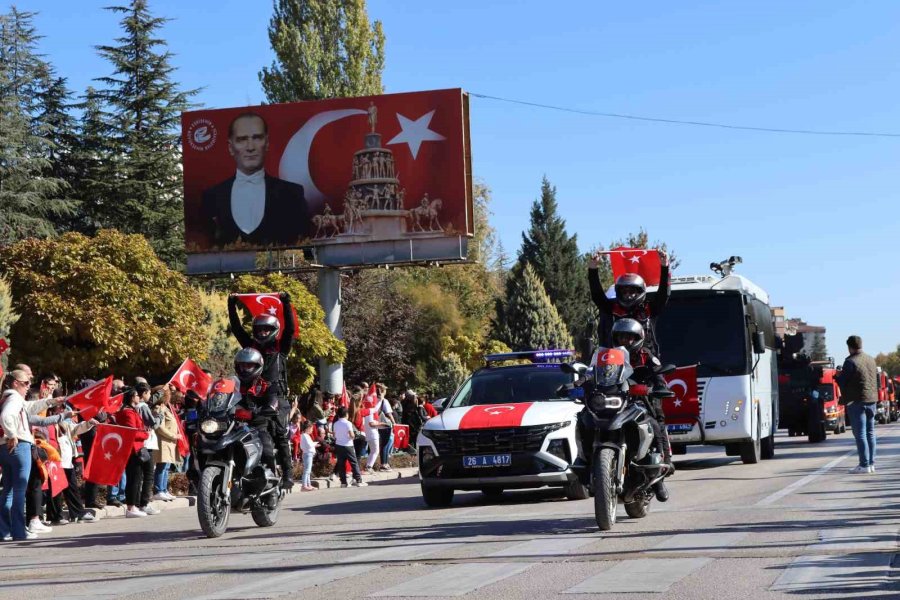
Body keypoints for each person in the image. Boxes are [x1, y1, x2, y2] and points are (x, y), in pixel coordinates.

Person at [202, 112, 309, 247]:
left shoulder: (293, 194)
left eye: (257, 138)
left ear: (267, 143)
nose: (250, 147)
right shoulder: (211, 197)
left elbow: (304, 243)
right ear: (230, 147)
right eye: (242, 139)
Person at [228, 292, 297, 490]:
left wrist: (285, 302)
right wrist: (231, 305)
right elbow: (236, 328)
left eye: (267, 329)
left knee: (281, 434)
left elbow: (290, 329)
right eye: (260, 329)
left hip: (276, 397)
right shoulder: (250, 347)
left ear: (274, 330)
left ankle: (288, 474)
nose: (263, 332)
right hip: (251, 397)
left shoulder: (280, 349)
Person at [609, 318, 672, 502]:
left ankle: (659, 472)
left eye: (629, 338)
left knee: (655, 423)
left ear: (638, 338)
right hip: (618, 400)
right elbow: (594, 371)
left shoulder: (646, 355)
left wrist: (658, 386)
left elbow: (659, 374)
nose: (625, 342)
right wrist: (580, 382)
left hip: (644, 400)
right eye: (621, 337)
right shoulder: (610, 355)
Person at [1, 370, 65, 541]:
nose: (29, 387)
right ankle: (18, 531)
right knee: (20, 490)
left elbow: (31, 408)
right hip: (19, 445)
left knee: (7, 490)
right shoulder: (14, 398)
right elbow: (6, 416)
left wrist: (51, 401)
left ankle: (4, 530)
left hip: (5, 448)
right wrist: (12, 434)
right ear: (15, 383)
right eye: (26, 383)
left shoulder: (8, 398)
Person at [588, 249, 670, 356]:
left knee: (658, 371)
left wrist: (665, 267)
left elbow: (663, 294)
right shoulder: (613, 308)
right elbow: (597, 296)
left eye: (632, 291)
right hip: (615, 362)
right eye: (624, 292)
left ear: (640, 291)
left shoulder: (648, 309)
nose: (628, 295)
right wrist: (593, 269)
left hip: (646, 363)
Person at [836, 335, 878, 474]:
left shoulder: (850, 362)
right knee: (870, 433)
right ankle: (871, 464)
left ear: (850, 347)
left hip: (857, 401)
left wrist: (837, 376)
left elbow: (843, 381)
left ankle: (864, 465)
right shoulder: (871, 359)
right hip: (871, 399)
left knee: (860, 434)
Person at [116, 387, 155, 518]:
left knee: (140, 476)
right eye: (137, 395)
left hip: (138, 448)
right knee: (134, 478)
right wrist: (145, 434)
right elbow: (132, 432)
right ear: (132, 397)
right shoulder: (127, 413)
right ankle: (131, 506)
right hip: (134, 449)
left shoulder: (131, 411)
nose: (139, 397)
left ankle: (137, 505)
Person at [151, 386, 179, 501]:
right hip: (163, 441)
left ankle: (164, 489)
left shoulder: (166, 408)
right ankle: (158, 490)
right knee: (161, 467)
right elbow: (160, 428)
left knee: (166, 467)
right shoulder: (158, 408)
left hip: (169, 442)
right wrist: (173, 435)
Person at [332, 406, 366, 488]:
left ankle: (343, 482)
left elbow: (334, 435)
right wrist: (354, 436)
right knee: (354, 463)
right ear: (346, 414)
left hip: (339, 445)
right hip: (348, 445)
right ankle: (358, 480)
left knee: (341, 464)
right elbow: (352, 435)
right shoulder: (348, 423)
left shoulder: (335, 424)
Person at [299, 421, 318, 491]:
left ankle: (308, 484)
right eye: (311, 428)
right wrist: (315, 444)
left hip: (308, 454)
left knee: (308, 471)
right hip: (307, 454)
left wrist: (314, 444)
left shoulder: (305, 435)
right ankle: (304, 485)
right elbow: (309, 445)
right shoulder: (304, 435)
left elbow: (309, 444)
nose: (312, 430)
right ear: (307, 428)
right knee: (307, 470)